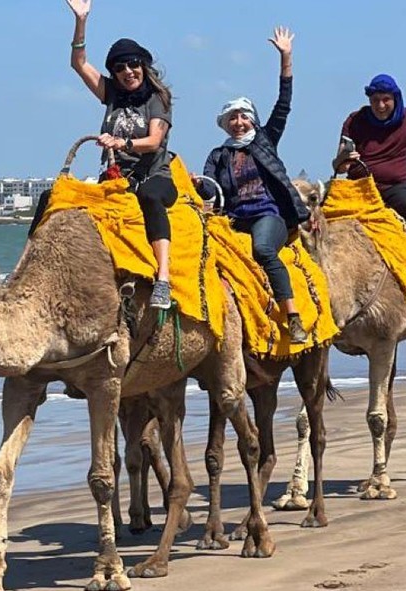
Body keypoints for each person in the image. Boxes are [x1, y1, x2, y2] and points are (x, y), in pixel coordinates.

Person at [202, 28, 311, 344]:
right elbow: (210, 190)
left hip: (267, 215)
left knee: (262, 249)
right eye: (232, 118)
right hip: (234, 219)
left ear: (252, 120)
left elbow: (283, 104)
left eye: (243, 117)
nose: (238, 123)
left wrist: (286, 58)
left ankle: (292, 317)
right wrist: (197, 184)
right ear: (226, 124)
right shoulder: (219, 155)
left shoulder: (265, 140)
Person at [66, 0, 176, 309]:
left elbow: (154, 141)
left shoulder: (157, 99)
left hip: (154, 176)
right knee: (61, 202)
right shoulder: (111, 94)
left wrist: (121, 143)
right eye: (119, 68)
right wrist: (81, 21)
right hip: (116, 178)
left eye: (132, 65)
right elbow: (79, 63)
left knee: (151, 197)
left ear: (143, 65)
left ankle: (163, 279)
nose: (128, 72)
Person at [335, 74, 406, 303]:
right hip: (359, 188)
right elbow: (339, 166)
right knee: (324, 215)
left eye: (385, 99)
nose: (380, 105)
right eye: (375, 100)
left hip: (394, 188)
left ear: (395, 98)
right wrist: (344, 159)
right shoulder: (355, 121)